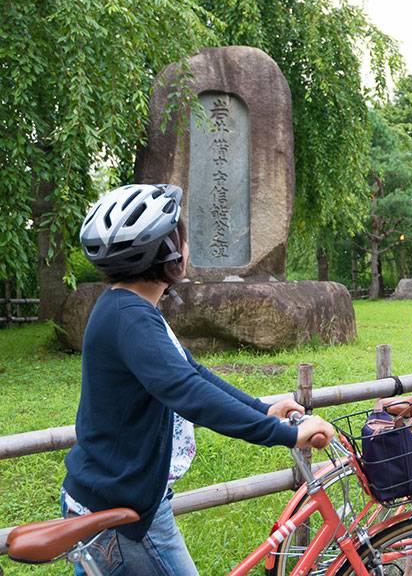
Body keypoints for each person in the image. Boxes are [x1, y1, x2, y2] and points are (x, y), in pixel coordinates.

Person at [61, 183, 333, 576]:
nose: (188, 247)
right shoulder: (131, 318)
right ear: (168, 253)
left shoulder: (130, 309)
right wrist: (286, 435)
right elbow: (188, 393)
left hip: (113, 496)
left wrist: (264, 408)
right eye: (182, 237)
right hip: (125, 515)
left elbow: (192, 373)